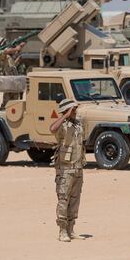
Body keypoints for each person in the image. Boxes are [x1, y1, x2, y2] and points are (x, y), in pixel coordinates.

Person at [49, 98, 86, 242]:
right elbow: (52, 129)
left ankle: (71, 230)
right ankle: (62, 231)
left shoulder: (78, 125)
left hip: (77, 168)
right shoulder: (62, 126)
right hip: (65, 170)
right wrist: (65, 115)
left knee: (75, 200)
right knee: (63, 199)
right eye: (73, 110)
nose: (75, 112)